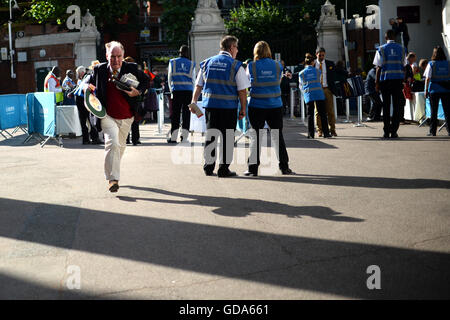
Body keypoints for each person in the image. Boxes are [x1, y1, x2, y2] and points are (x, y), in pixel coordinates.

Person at [84, 41, 149, 192]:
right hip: (107, 115)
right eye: (112, 56)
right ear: (107, 56)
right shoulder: (99, 70)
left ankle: (113, 170)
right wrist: (87, 87)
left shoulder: (131, 68)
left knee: (120, 147)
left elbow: (146, 81)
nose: (116, 60)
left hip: (127, 117)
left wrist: (137, 91)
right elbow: (87, 83)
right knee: (112, 143)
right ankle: (113, 179)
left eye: (119, 56)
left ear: (123, 56)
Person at [190, 35, 249, 177]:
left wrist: (193, 101)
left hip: (211, 106)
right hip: (228, 108)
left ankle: (208, 167)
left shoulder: (206, 63)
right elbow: (242, 91)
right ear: (231, 47)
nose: (237, 51)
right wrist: (243, 109)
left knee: (211, 136)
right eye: (236, 47)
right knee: (228, 138)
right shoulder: (236, 65)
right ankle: (223, 169)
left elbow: (198, 86)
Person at [244, 41, 293, 177]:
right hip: (275, 105)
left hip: (256, 105)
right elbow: (278, 81)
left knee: (256, 136)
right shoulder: (277, 65)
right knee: (278, 136)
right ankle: (284, 167)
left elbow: (246, 82)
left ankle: (252, 169)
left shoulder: (251, 66)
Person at [374, 29, 406, 139]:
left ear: (386, 37)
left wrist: (376, 83)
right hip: (398, 81)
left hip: (385, 81)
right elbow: (404, 65)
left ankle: (386, 132)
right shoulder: (402, 49)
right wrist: (403, 80)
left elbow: (378, 68)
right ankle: (394, 131)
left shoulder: (381, 49)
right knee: (397, 107)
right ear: (394, 37)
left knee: (386, 107)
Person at [299, 53, 332, 139]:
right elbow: (320, 81)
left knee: (310, 114)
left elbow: (301, 85)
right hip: (319, 94)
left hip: (309, 94)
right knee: (322, 114)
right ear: (313, 62)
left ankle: (311, 134)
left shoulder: (301, 73)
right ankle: (326, 133)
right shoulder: (318, 71)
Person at [167, 45, 195, 143]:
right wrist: (194, 93)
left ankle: (174, 138)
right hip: (188, 92)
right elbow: (194, 80)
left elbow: (169, 77)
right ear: (188, 53)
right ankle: (185, 138)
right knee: (186, 115)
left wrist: (171, 91)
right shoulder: (191, 64)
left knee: (175, 115)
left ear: (179, 52)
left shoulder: (173, 62)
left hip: (176, 91)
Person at [424, 46, 450, 136]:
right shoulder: (448, 64)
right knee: (447, 111)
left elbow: (428, 78)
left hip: (434, 90)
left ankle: (432, 131)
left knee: (433, 111)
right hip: (446, 90)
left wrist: (425, 90)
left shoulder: (431, 64)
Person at [74, 66, 101, 145]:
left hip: (79, 99)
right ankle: (95, 138)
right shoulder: (89, 77)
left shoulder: (83, 79)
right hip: (84, 100)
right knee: (91, 119)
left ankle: (85, 139)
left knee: (83, 120)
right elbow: (91, 87)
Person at [315, 48, 338, 137]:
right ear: (316, 54)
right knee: (318, 111)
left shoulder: (330, 64)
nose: (321, 57)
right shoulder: (313, 64)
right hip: (317, 90)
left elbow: (335, 74)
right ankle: (319, 130)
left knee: (330, 111)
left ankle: (332, 129)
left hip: (327, 89)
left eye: (323, 55)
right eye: (319, 55)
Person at [123, 56, 145, 146]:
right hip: (135, 98)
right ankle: (135, 139)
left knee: (125, 119)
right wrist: (140, 91)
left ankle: (126, 139)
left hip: (125, 98)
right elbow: (146, 80)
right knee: (134, 120)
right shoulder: (138, 72)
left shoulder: (122, 72)